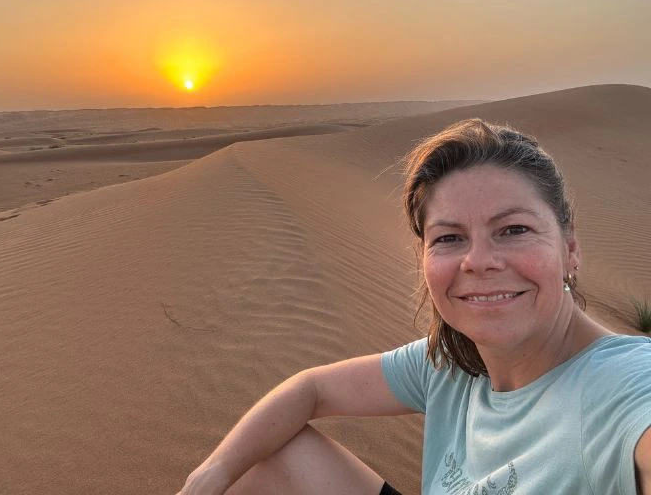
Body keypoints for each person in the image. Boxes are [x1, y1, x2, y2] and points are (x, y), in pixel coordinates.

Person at [177, 118, 651, 494]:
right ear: (424, 258)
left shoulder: (624, 386)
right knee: (268, 457)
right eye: (449, 238)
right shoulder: (449, 366)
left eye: (514, 230)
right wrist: (210, 476)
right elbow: (311, 389)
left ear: (570, 248)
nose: (479, 261)